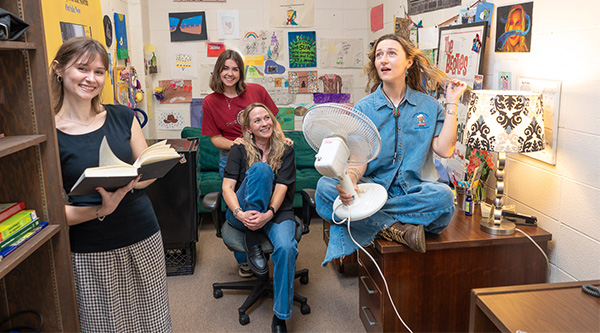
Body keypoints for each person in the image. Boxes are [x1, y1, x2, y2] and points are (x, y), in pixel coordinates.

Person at [51, 36, 172, 332]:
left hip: (142, 232)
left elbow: (145, 174)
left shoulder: (122, 116)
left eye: (99, 72)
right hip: (91, 244)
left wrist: (139, 176)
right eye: (82, 69)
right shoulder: (49, 133)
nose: (91, 79)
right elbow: (52, 212)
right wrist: (102, 209)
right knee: (105, 324)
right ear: (58, 69)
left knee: (153, 319)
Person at [315, 34, 466, 265]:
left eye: (391, 53)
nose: (383, 60)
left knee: (444, 199)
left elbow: (444, 150)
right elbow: (358, 159)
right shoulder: (365, 108)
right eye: (379, 55)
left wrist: (452, 102)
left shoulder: (428, 105)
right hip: (371, 188)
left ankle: (373, 219)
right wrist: (352, 182)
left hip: (413, 191)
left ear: (409, 62)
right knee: (324, 189)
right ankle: (394, 229)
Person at [202, 49, 291, 278]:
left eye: (235, 69)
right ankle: (244, 258)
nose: (230, 73)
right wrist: (238, 144)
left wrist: (280, 140)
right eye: (225, 68)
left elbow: (272, 120)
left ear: (241, 72)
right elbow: (214, 138)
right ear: (218, 71)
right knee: (237, 201)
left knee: (262, 190)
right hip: (235, 154)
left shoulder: (256, 90)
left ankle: (258, 240)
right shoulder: (210, 102)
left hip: (265, 151)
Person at [222, 103, 297, 332]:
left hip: (275, 212)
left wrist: (269, 214)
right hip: (241, 211)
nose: (264, 123)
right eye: (257, 121)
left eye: (267, 118)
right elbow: (227, 188)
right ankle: (252, 233)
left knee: (286, 247)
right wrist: (240, 213)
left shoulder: (285, 149)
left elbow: (282, 188)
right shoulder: (239, 149)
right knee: (262, 169)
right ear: (249, 128)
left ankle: (280, 315)